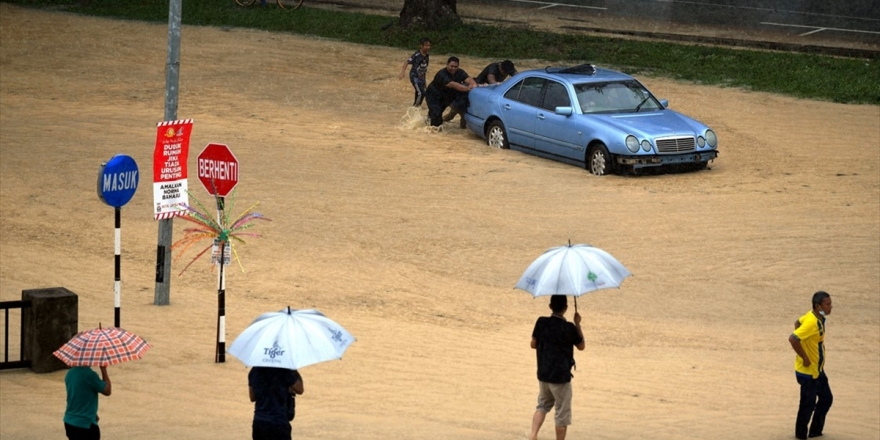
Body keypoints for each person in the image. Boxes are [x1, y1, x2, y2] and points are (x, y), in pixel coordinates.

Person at [529, 295, 585, 440]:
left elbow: (533, 344)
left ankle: (533, 435)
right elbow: (581, 346)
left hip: (543, 373)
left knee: (542, 405)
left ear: (550, 306)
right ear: (566, 308)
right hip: (560, 377)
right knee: (561, 415)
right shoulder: (569, 328)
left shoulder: (541, 322)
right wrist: (577, 323)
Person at [788, 291, 833, 439]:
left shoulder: (813, 316)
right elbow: (793, 339)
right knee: (807, 406)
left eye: (830, 303)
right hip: (807, 373)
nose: (831, 307)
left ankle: (815, 431)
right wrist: (804, 356)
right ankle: (801, 435)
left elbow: (797, 323)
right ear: (818, 306)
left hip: (817, 370)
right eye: (828, 304)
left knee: (826, 399)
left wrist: (806, 344)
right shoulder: (812, 322)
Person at [249, 366, 304, 440]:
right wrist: (295, 371)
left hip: (260, 421)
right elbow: (300, 389)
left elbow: (252, 397)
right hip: (279, 422)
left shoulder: (254, 371)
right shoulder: (284, 369)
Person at [425, 56, 477, 128]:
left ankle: (430, 120)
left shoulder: (460, 72)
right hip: (434, 95)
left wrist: (474, 85)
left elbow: (468, 79)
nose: (453, 68)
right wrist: (468, 88)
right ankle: (430, 130)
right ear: (447, 65)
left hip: (446, 96)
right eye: (451, 66)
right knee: (436, 117)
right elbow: (453, 85)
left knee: (438, 113)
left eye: (456, 66)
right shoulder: (442, 74)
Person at [63, 365, 111, 440]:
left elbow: (76, 395)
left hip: (69, 421)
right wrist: (103, 369)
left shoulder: (69, 374)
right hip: (85, 424)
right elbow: (107, 391)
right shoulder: (90, 375)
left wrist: (92, 412)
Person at [398, 37, 431, 107]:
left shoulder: (427, 56)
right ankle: (415, 108)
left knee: (420, 92)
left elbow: (424, 69)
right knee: (421, 93)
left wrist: (424, 82)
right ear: (421, 46)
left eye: (429, 45)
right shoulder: (416, 55)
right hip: (415, 76)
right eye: (426, 45)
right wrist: (403, 71)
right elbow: (407, 62)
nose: (428, 47)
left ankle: (416, 107)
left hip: (421, 77)